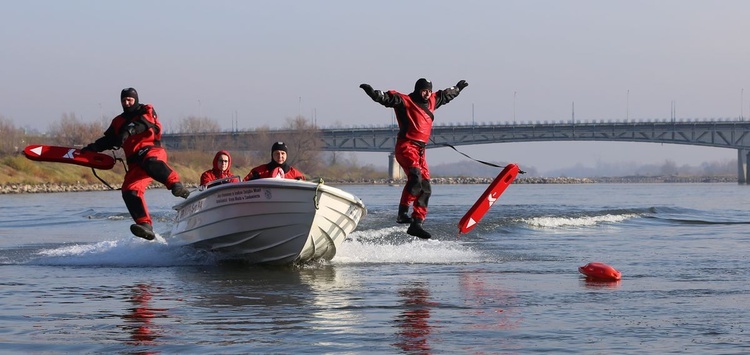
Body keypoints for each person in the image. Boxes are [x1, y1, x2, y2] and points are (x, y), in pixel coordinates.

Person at [359, 78, 468, 239]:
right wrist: (372, 92)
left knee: (425, 186)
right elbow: (387, 99)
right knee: (415, 176)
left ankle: (417, 223)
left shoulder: (432, 100)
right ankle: (402, 212)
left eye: (429, 90)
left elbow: (446, 95)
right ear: (418, 90)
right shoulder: (406, 101)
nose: (427, 93)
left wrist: (458, 88)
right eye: (424, 90)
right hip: (406, 146)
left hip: (420, 150)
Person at [83, 87, 190, 241]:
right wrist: (93, 148)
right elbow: (109, 140)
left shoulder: (146, 110)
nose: (127, 103)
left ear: (136, 100)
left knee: (150, 162)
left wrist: (127, 132)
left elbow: (142, 124)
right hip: (134, 164)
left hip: (151, 151)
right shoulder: (117, 121)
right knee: (129, 190)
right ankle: (145, 225)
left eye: (130, 100)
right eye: (124, 100)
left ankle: (176, 186)